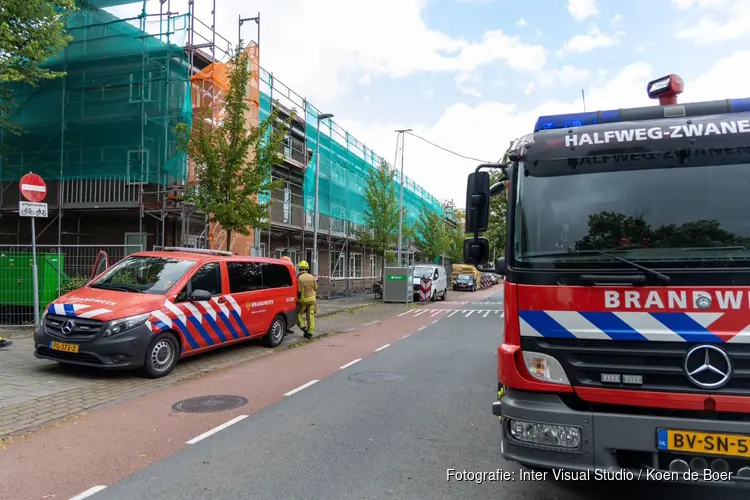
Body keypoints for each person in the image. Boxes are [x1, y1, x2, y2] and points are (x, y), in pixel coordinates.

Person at [295, 260, 317, 340]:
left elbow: (298, 290)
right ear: (307, 268)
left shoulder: (298, 278)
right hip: (312, 300)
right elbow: (315, 288)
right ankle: (310, 333)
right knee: (310, 315)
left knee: (298, 314)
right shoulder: (312, 277)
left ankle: (304, 329)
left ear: (300, 268)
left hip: (303, 301)